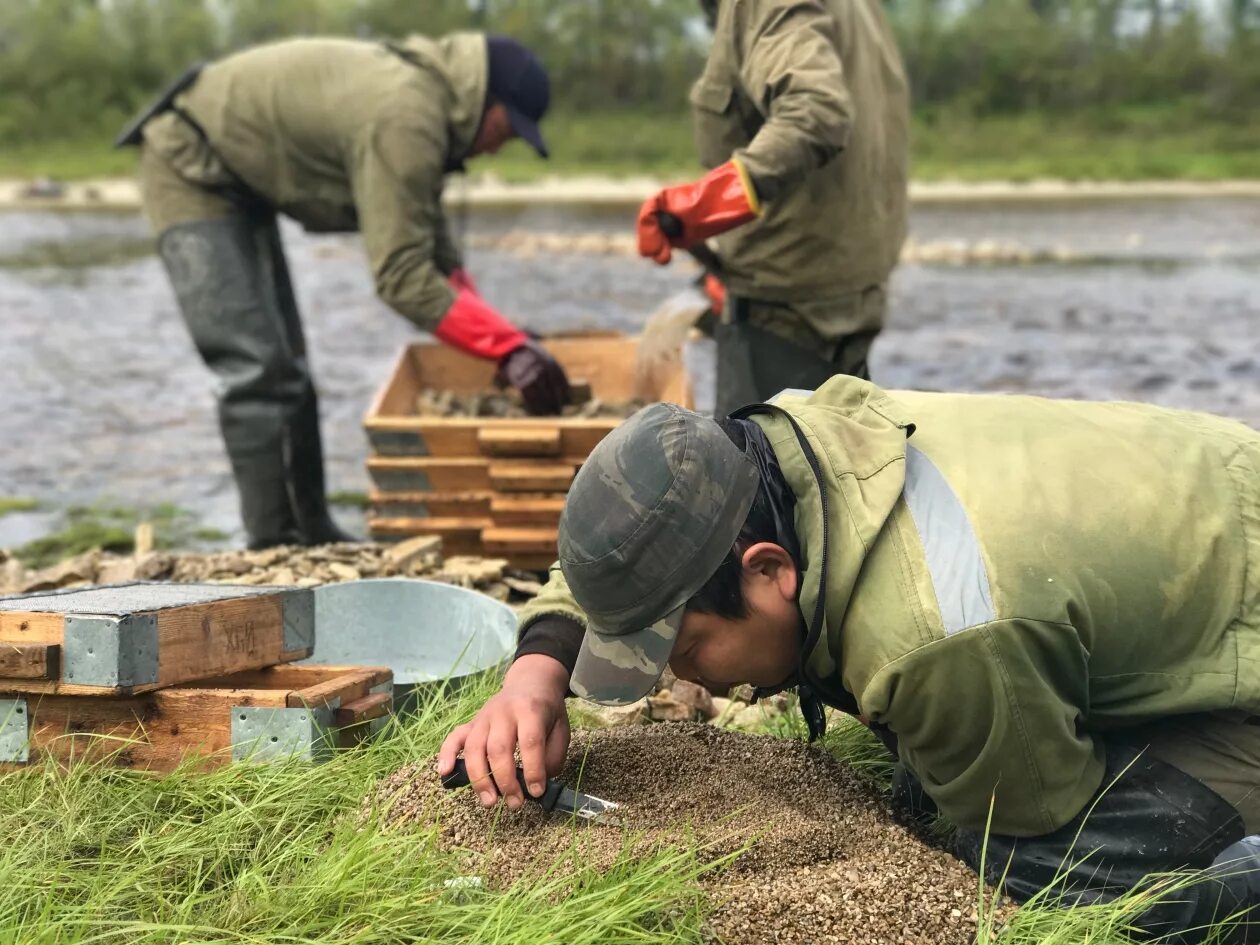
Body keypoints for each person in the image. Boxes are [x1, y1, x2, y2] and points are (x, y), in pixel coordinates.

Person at [441, 378, 1260, 941]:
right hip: (1202, 499)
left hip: (1243, 611)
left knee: (1039, 884)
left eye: (686, 649)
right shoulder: (762, 451)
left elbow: (1036, 814)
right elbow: (627, 553)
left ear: (769, 571)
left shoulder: (931, 636)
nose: (684, 680)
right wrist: (535, 674)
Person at [121, 33, 570, 549]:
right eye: (507, 130)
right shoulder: (407, 117)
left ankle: (312, 532)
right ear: (487, 102)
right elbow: (400, 275)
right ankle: (273, 549)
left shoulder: (426, 104)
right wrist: (507, 351)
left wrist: (503, 335)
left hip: (240, 180)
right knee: (256, 367)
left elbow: (434, 252)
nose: (499, 145)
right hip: (189, 164)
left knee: (288, 364)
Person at [635, 0, 910, 416]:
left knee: (762, 478)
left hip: (787, 316)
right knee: (839, 473)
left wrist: (704, 206)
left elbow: (815, 113)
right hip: (845, 296)